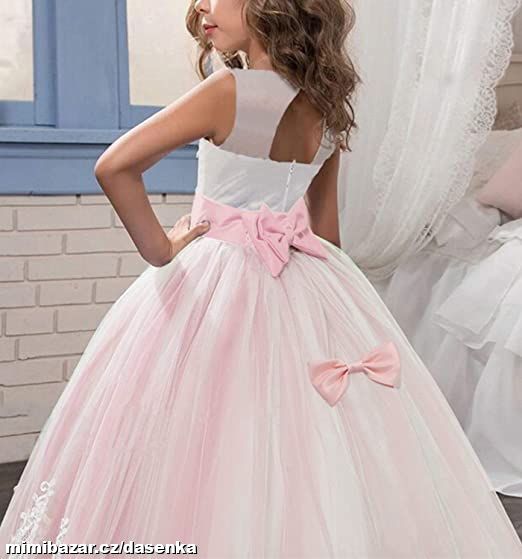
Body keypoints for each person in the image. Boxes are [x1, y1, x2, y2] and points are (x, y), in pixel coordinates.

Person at [1, 0, 522, 557]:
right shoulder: (326, 104)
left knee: (200, 432)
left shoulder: (228, 89)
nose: (203, 7)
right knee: (299, 438)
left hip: (214, 281)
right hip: (308, 277)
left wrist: (161, 250)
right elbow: (327, 236)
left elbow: (113, 165)